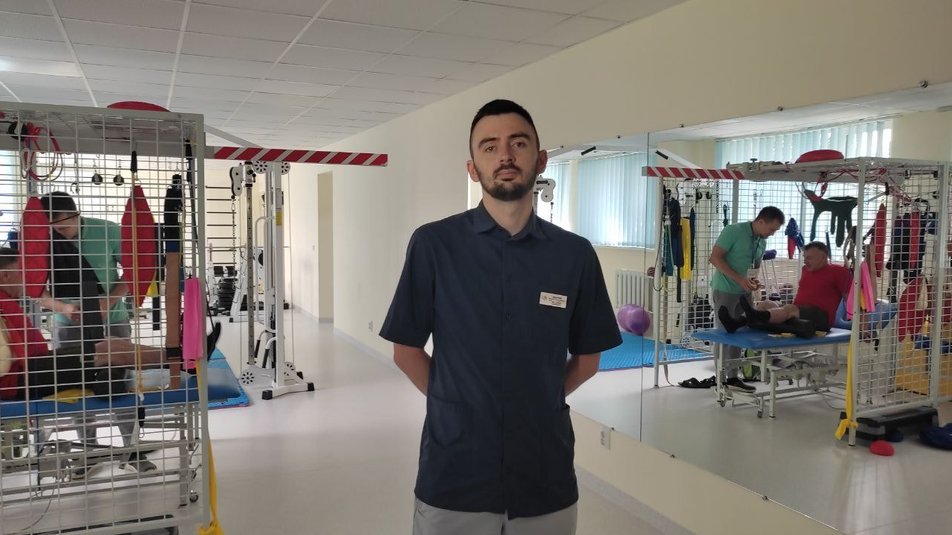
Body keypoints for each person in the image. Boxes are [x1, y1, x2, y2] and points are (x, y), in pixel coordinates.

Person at [380, 99, 621, 535]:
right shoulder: (434, 245)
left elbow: (588, 359)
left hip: (544, 475)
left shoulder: (574, 255)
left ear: (540, 159)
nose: (505, 156)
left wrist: (538, 402)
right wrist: (456, 404)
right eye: (489, 147)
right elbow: (406, 350)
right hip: (455, 474)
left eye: (518, 143)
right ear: (473, 168)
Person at [0, 247, 219, 401]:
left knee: (109, 343)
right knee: (108, 352)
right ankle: (183, 360)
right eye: (21, 273)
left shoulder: (6, 301)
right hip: (23, 380)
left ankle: (181, 357)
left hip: (33, 367)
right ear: (6, 276)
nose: (27, 278)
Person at [39, 191, 131, 348]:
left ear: (75, 215)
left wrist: (108, 302)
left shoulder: (108, 230)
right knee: (69, 364)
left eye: (63, 228)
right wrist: (63, 308)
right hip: (66, 322)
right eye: (52, 229)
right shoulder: (42, 238)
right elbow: (34, 287)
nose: (58, 233)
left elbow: (135, 271)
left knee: (119, 363)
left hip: (112, 318)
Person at [708, 206, 785, 392]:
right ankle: (720, 378)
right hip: (725, 289)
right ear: (761, 221)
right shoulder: (733, 231)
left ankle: (733, 377)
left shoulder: (761, 241)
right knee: (724, 333)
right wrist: (739, 279)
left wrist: (754, 282)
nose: (772, 233)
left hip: (745, 293)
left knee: (740, 333)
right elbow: (715, 258)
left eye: (775, 231)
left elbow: (754, 268)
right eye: (772, 229)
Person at [717, 241, 852, 337]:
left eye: (809, 258)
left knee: (790, 309)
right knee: (766, 304)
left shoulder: (839, 272)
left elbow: (849, 299)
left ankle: (757, 316)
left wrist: (858, 323)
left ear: (823, 257)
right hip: (798, 312)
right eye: (804, 257)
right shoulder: (805, 270)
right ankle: (735, 323)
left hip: (821, 318)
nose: (805, 261)